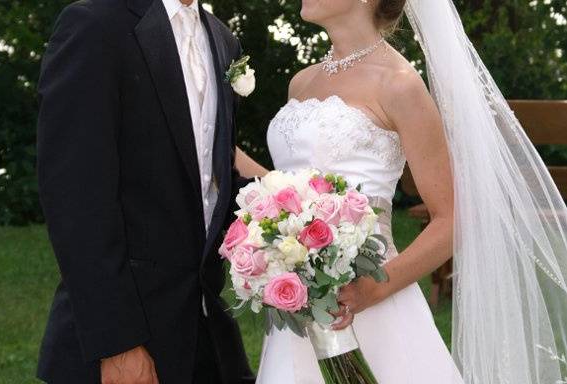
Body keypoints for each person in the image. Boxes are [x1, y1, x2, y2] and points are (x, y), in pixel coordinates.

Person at [252, 0, 567, 383]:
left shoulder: (399, 84)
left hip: (374, 296)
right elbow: (287, 187)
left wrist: (372, 290)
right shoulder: (300, 83)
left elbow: (452, 220)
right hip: (296, 304)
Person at [36, 0, 256, 383]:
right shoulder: (95, 25)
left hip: (208, 335)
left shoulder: (223, 40)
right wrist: (117, 343)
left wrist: (292, 213)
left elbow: (208, 176)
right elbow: (76, 198)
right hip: (127, 338)